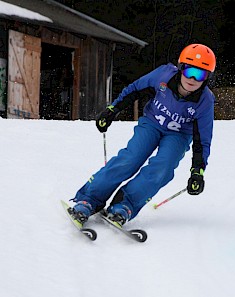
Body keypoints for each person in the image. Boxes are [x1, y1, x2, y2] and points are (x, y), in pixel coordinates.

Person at [70, 43, 216, 226]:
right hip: (152, 124)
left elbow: (203, 140)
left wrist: (198, 171)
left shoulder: (205, 101)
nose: (193, 79)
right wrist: (112, 111)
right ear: (180, 68)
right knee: (130, 159)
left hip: (178, 135)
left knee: (162, 169)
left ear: (207, 78)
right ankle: (89, 199)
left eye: (200, 74)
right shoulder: (163, 76)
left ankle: (124, 205)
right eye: (189, 71)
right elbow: (134, 90)